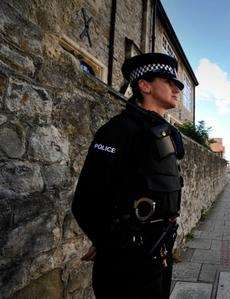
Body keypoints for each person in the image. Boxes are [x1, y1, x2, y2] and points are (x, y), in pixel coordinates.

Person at [71, 53, 185, 298]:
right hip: (128, 264)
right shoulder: (119, 130)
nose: (177, 89)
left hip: (160, 251)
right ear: (144, 86)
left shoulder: (163, 132)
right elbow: (86, 201)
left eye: (177, 84)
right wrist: (113, 244)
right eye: (168, 82)